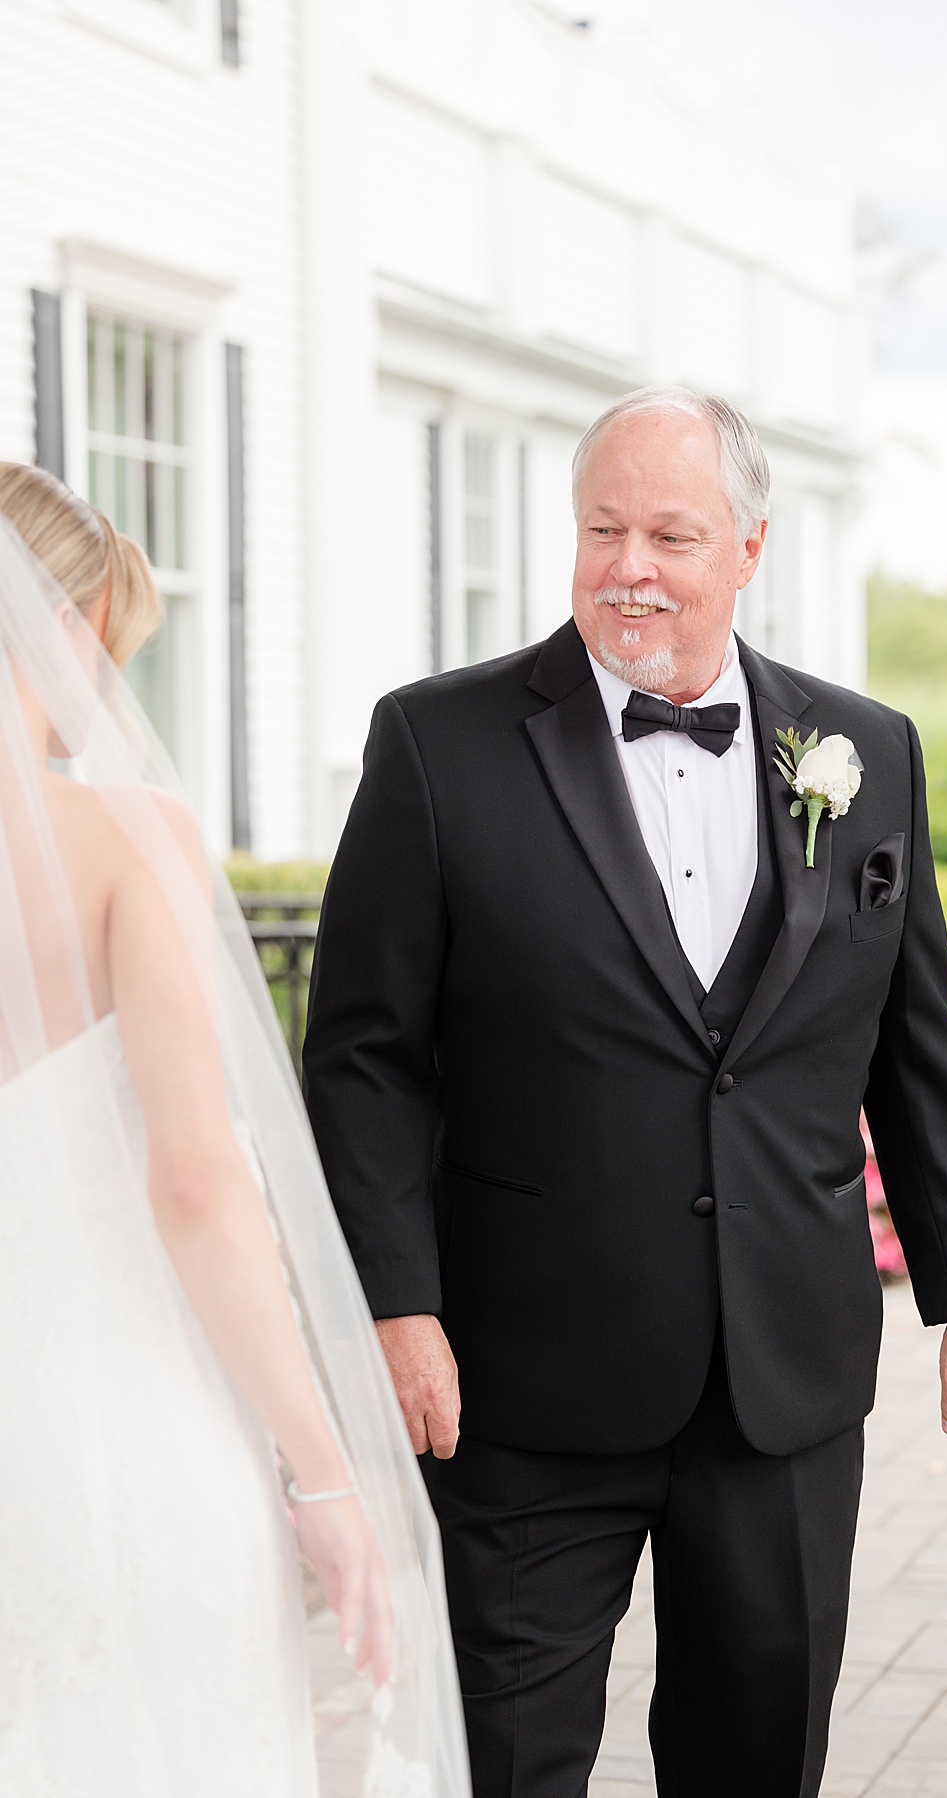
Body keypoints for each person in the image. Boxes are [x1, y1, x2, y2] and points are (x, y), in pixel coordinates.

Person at [303, 386, 947, 1796]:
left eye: (672, 534)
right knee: (505, 1762)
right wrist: (397, 1309)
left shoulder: (865, 750)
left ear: (750, 546)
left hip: (784, 1381)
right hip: (520, 1385)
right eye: (603, 528)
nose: (630, 565)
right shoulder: (437, 746)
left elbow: (912, 1040)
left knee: (758, 1759)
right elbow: (362, 1057)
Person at [0, 464, 467, 1792]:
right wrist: (326, 1476)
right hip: (124, 1427)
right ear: (70, 627)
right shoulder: (129, 839)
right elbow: (200, 1183)